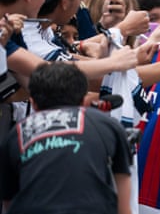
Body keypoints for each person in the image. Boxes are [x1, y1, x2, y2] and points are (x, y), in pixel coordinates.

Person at [0, 62, 133, 214]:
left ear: (33, 103)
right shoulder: (106, 124)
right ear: (84, 99)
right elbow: (124, 198)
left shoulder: (15, 134)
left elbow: (9, 202)